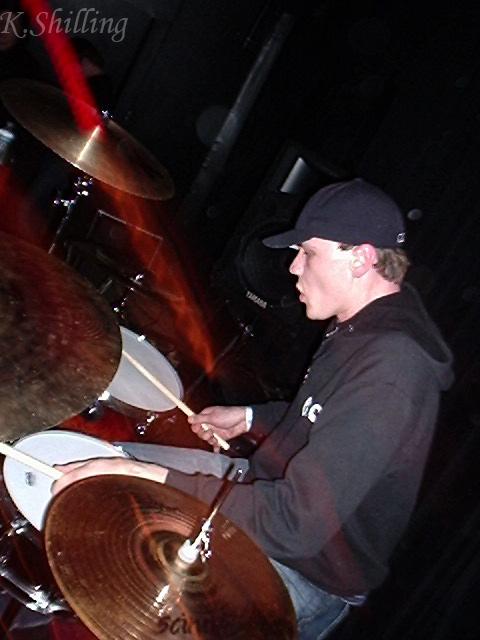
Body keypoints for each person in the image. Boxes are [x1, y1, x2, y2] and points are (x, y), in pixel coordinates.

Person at [54, 178, 454, 640]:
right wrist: (250, 417)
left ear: (360, 259)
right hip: (258, 487)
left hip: (304, 568)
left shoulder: (393, 367)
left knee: (131, 566)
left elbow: (295, 524)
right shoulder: (363, 326)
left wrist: (152, 478)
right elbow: (319, 415)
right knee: (97, 468)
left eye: (308, 253)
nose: (293, 267)